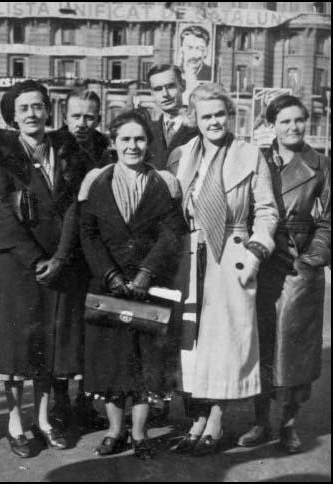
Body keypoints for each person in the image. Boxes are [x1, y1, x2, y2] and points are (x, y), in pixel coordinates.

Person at [168, 83, 279, 455]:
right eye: (206, 116)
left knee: (225, 345)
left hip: (231, 256)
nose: (214, 122)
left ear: (229, 116)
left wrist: (256, 252)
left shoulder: (250, 154)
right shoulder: (184, 156)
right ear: (195, 120)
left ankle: (215, 419)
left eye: (220, 114)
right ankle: (196, 418)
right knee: (193, 343)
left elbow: (266, 209)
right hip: (191, 254)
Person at [0, 80, 87, 458]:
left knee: (48, 344)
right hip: (19, 266)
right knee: (16, 347)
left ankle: (42, 419)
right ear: (13, 116)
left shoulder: (64, 152)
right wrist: (35, 259)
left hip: (58, 266)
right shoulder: (4, 155)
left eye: (38, 107)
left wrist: (60, 257)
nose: (32, 114)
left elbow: (76, 206)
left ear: (49, 111)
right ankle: (15, 422)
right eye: (24, 108)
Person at [79, 111, 186, 459]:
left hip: (148, 286)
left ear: (148, 143)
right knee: (111, 361)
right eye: (125, 139)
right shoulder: (96, 182)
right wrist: (110, 274)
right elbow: (88, 234)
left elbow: (172, 234)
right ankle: (114, 431)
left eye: (139, 139)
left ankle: (139, 434)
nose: (132, 146)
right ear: (113, 143)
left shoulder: (163, 183)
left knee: (145, 362)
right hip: (107, 285)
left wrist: (146, 273)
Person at [238, 95, 331, 453]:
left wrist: (314, 256)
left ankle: (289, 424)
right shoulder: (258, 160)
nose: (293, 128)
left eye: (299, 121)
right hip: (262, 257)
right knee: (260, 342)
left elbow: (328, 218)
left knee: (295, 349)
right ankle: (260, 421)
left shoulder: (320, 163)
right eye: (285, 121)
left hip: (300, 263)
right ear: (271, 126)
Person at [51, 88, 112, 430]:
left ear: (98, 117)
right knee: (63, 330)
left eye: (89, 116)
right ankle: (60, 406)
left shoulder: (105, 147)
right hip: (64, 248)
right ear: (65, 115)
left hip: (95, 250)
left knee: (92, 329)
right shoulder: (55, 146)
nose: (83, 123)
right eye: (76, 116)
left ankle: (85, 403)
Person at [147, 64, 199, 170]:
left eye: (170, 86)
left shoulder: (200, 127)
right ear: (152, 94)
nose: (165, 94)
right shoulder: (147, 131)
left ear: (183, 85)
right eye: (158, 89)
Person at [54, 88, 112, 171]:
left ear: (98, 120)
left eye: (89, 118)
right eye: (76, 116)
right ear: (65, 118)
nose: (81, 124)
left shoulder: (108, 154)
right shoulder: (50, 149)